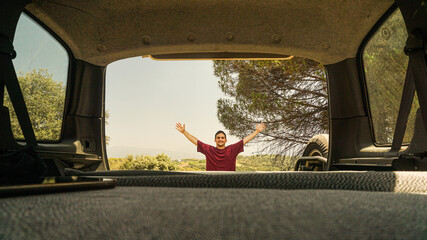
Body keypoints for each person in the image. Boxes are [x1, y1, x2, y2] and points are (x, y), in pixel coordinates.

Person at [175, 122, 266, 171]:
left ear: (225, 140)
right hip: (211, 182)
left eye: (222, 138)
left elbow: (245, 140)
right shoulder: (209, 150)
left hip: (229, 182)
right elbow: (195, 141)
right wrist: (184, 132)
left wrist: (256, 131)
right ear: (215, 140)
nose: (220, 139)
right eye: (218, 138)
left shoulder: (232, 149)